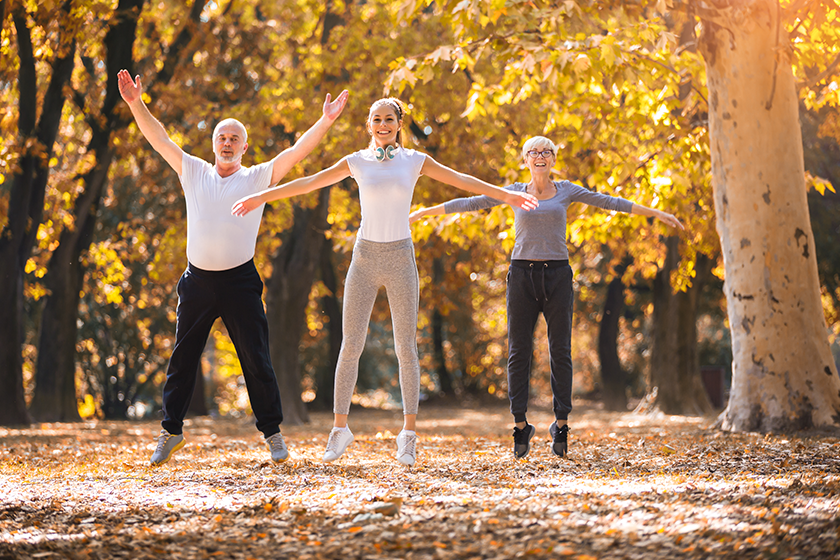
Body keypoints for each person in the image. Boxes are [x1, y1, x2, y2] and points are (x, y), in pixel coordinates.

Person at [231, 98, 538, 467]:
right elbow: (308, 183)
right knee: (351, 345)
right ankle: (339, 429)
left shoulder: (416, 161)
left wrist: (507, 195)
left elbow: (461, 179)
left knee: (405, 347)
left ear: (398, 123)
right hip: (364, 258)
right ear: (369, 124)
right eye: (376, 119)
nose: (382, 124)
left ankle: (408, 436)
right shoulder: (356, 162)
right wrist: (259, 197)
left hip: (399, 257)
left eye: (389, 119)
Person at [117, 69, 349, 466]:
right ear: (213, 145)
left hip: (240, 282)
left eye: (234, 139)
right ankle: (170, 432)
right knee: (182, 358)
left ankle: (273, 434)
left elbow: (296, 152)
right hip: (197, 282)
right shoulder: (192, 170)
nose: (227, 144)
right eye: (221, 138)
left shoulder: (259, 177)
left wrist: (325, 120)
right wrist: (136, 103)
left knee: (256, 359)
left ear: (244, 147)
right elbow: (159, 138)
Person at [409, 136, 684, 459]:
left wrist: (655, 213)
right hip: (522, 276)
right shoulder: (512, 192)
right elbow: (472, 202)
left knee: (560, 352)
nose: (540, 156)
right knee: (518, 352)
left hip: (557, 277)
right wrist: (423, 212)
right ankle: (520, 425)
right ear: (524, 159)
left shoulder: (567, 190)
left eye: (546, 152)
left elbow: (608, 201)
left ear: (553, 159)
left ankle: (561, 424)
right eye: (533, 152)